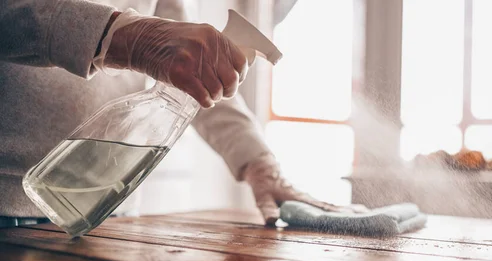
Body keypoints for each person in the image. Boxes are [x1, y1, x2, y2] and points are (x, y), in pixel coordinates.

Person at [0, 0, 363, 228]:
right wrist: (122, 36)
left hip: (109, 212)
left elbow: (196, 78)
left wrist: (258, 163)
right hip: (7, 204)